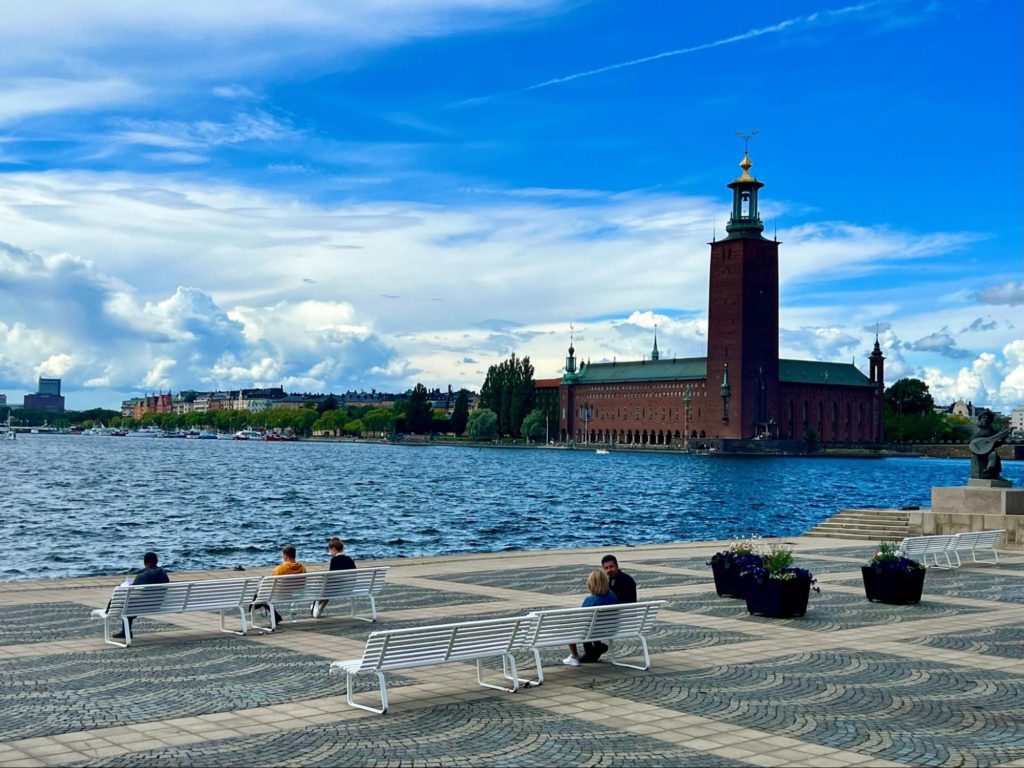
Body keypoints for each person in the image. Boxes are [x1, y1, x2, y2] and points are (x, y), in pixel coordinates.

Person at [581, 555, 638, 662]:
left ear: (617, 566)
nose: (609, 570)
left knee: (588, 623)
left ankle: (591, 652)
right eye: (606, 568)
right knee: (595, 620)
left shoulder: (627, 581)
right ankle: (595, 649)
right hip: (611, 621)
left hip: (622, 621)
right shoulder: (609, 581)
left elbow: (626, 604)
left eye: (611, 567)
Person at [563, 569, 617, 667]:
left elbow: (581, 618)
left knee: (575, 625)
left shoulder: (590, 600)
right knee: (594, 625)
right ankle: (596, 648)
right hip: (608, 629)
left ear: (591, 584)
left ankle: (574, 656)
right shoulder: (612, 596)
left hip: (590, 631)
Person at [111, 552, 170, 639]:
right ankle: (125, 632)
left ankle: (125, 632)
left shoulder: (143, 576)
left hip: (144, 606)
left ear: (145, 563)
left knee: (127, 604)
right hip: (158, 604)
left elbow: (132, 590)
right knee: (131, 603)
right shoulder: (163, 573)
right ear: (156, 561)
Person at [312, 537, 356, 618]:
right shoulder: (349, 559)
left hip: (336, 589)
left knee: (326, 587)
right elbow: (354, 574)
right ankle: (319, 607)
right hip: (349, 588)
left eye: (330, 550)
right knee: (329, 588)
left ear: (334, 549)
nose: (330, 552)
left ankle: (316, 603)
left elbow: (332, 576)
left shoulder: (334, 560)